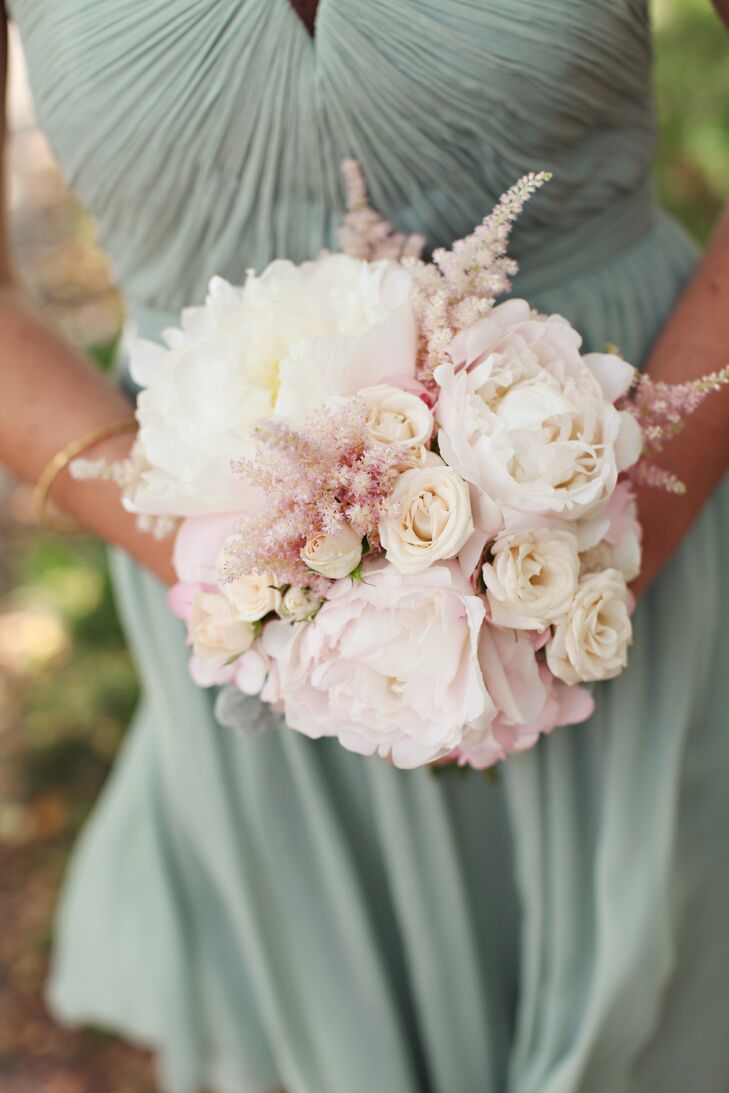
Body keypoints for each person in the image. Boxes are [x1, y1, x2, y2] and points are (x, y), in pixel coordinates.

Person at [1, 3, 728, 1091]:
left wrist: (610, 534)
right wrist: (253, 581)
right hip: (244, 611)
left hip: (632, 520)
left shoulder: (621, 530)